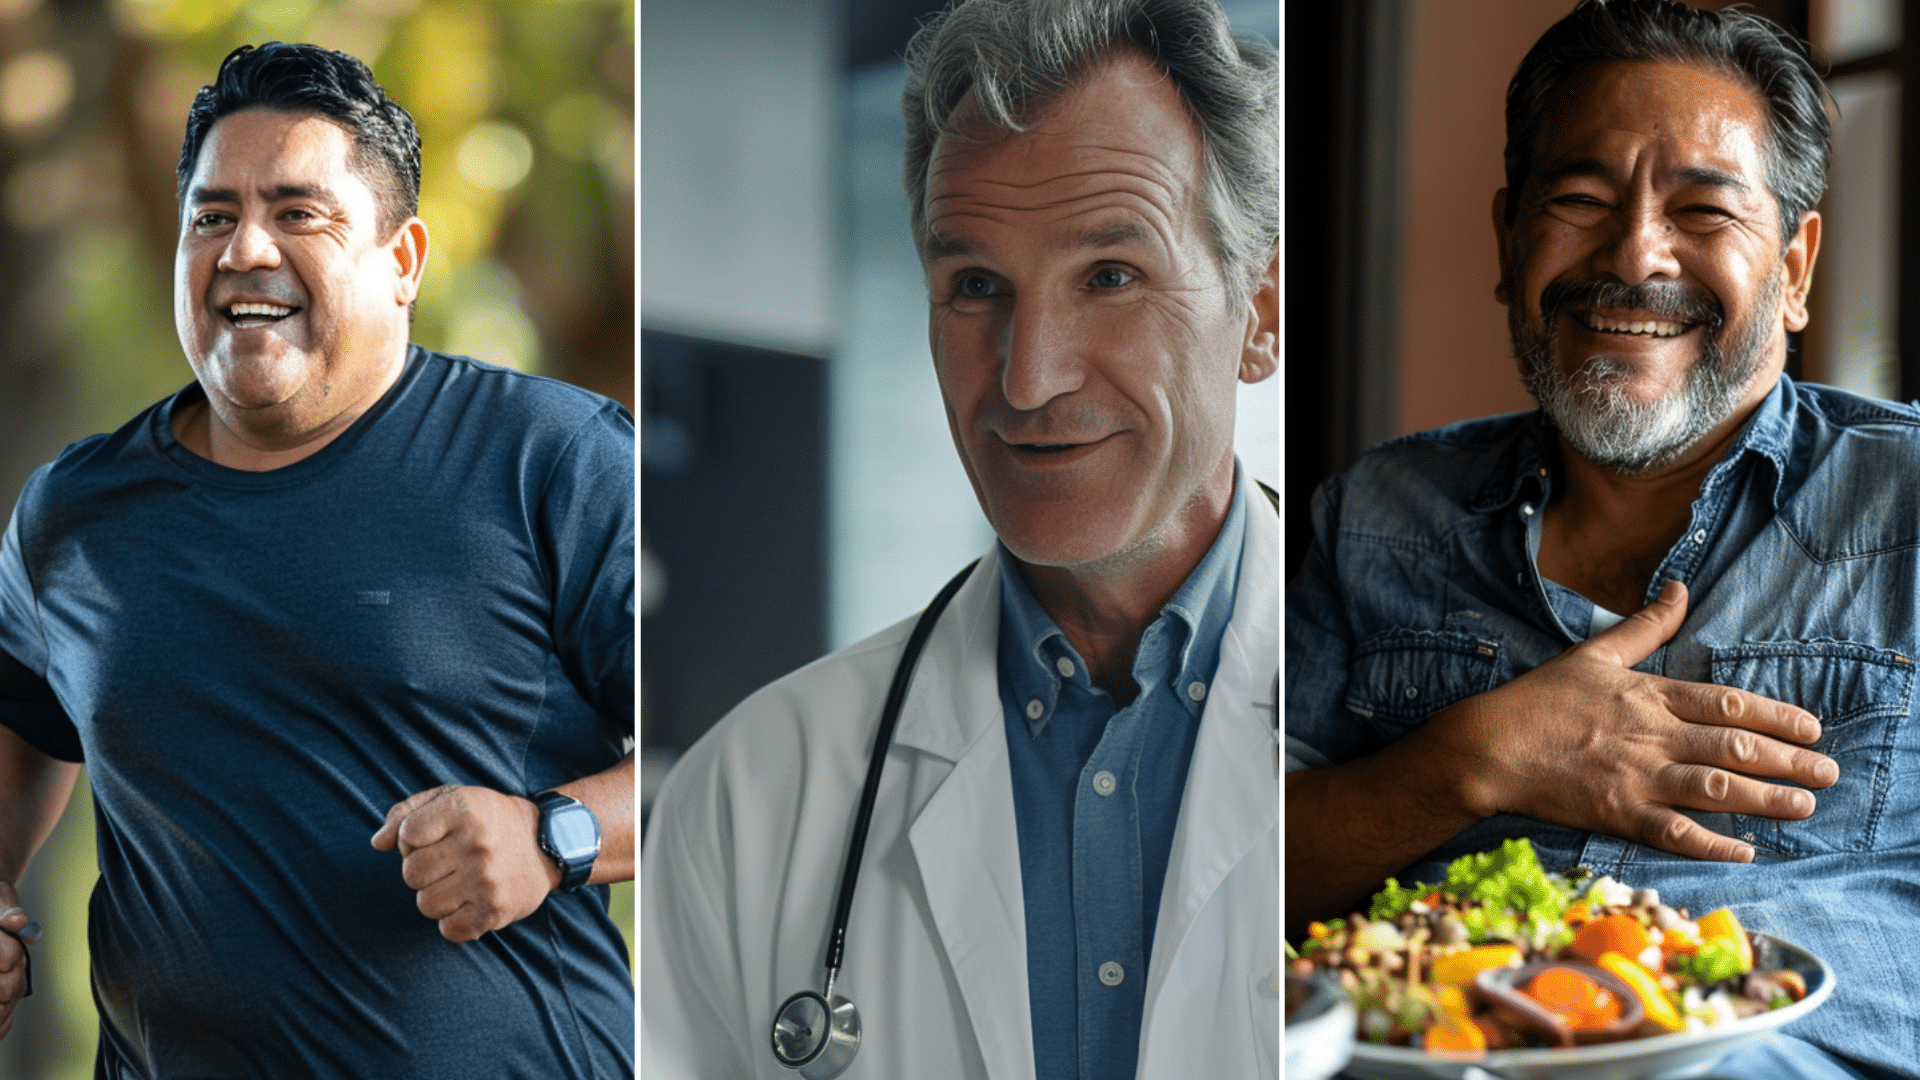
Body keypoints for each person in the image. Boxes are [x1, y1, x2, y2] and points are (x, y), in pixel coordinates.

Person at [640, 0, 1278, 1077]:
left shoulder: (1412, 734)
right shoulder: (746, 796)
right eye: (977, 286)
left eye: (1110, 277)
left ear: (1258, 311)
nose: (1029, 379)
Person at [1287, 1, 1918, 1076]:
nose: (1633, 252)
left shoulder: (1904, 504)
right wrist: (1473, 759)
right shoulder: (1378, 515)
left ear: (1797, 269)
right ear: (1506, 240)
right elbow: (1226, 872)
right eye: (1578, 199)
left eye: (1704, 210)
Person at [0, 43, 634, 1077]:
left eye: (300, 212)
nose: (246, 248)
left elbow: (733, 759)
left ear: (403, 260)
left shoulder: (553, 460)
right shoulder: (74, 511)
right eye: (212, 216)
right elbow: (22, 722)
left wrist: (553, 836)